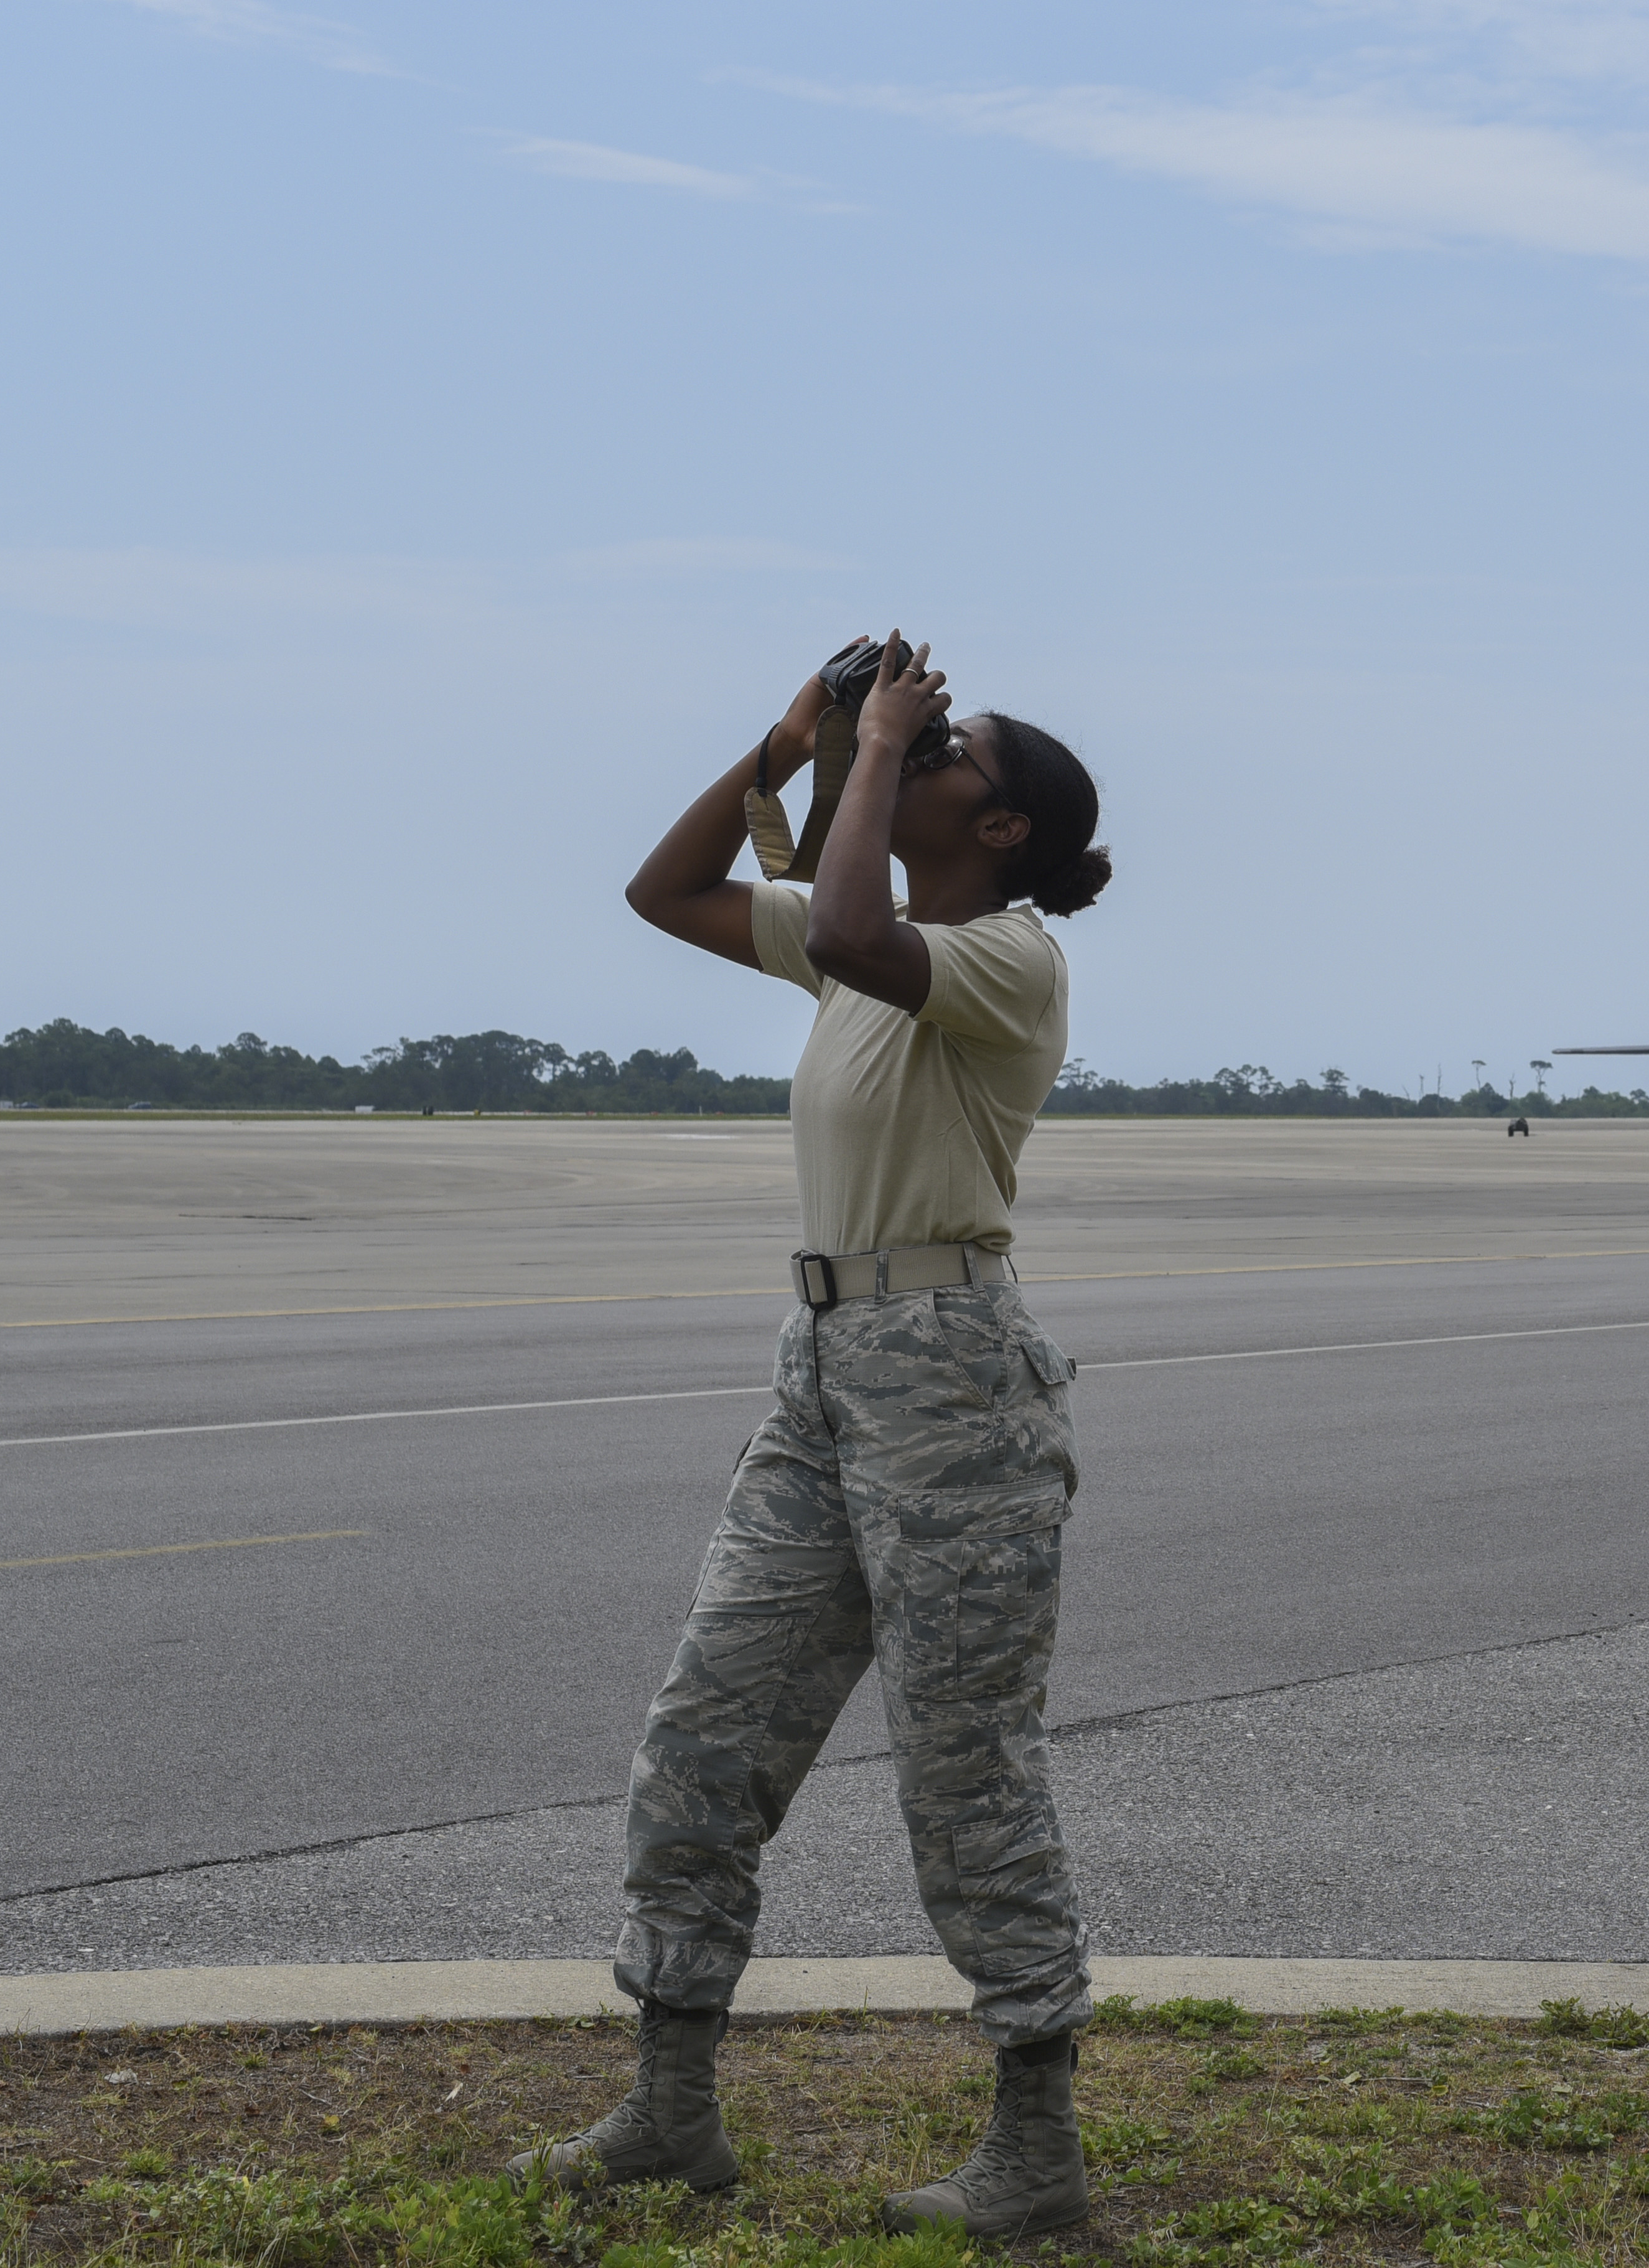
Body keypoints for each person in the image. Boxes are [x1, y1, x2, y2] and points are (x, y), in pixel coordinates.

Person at [508, 635, 1113, 2239]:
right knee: (707, 1732)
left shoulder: (1008, 960)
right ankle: (669, 2110)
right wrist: (786, 748)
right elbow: (666, 891)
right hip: (826, 1369)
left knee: (965, 1767)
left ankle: (1036, 2149)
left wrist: (880, 743)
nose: (922, 753)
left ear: (1004, 829)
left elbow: (848, 916)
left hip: (955, 1381)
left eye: (952, 751)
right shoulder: (874, 954)